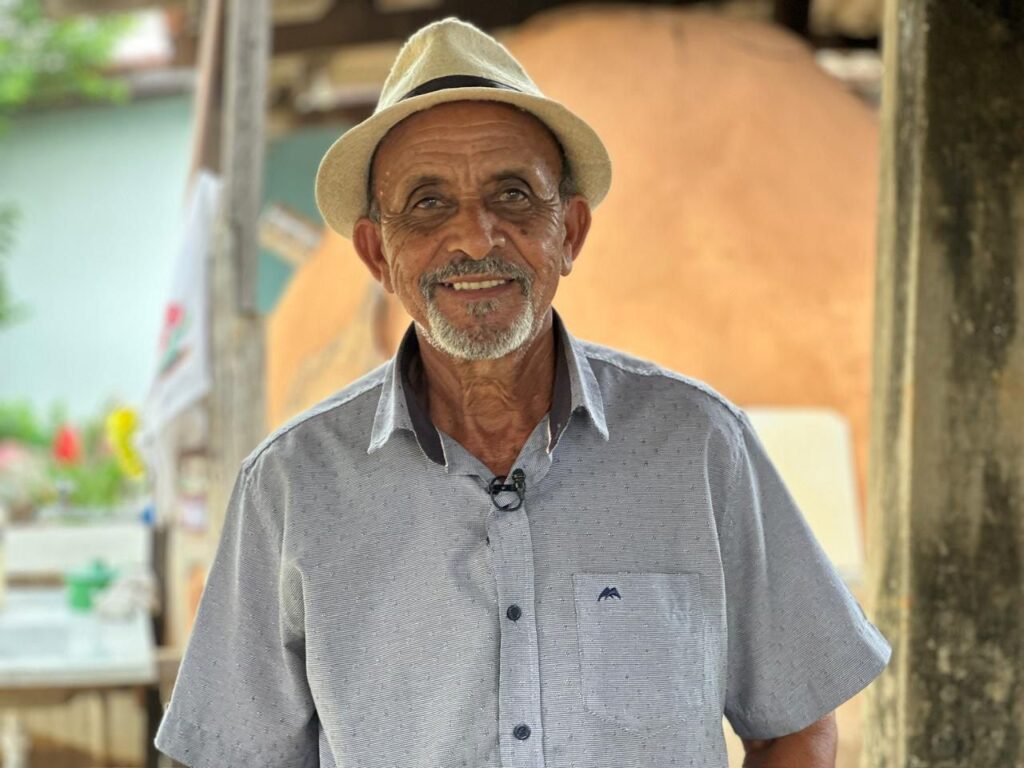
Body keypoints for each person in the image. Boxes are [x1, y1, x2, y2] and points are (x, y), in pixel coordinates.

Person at [155, 17, 891, 768]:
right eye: (428, 203)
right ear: (378, 252)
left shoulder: (699, 445)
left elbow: (794, 723)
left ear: (570, 233)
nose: (476, 238)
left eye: (512, 195)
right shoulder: (291, 486)